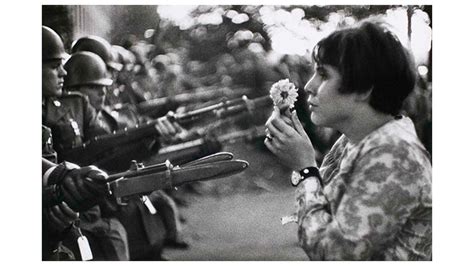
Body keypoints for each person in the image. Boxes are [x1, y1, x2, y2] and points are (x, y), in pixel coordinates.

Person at [264, 20, 431, 260]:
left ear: (364, 89)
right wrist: (301, 158)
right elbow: (323, 210)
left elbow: (334, 254)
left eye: (323, 74)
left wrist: (304, 170)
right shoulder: (355, 141)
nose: (309, 86)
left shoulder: (393, 153)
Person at [42, 25, 130, 261]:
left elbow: (105, 146)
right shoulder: (61, 108)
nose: (63, 73)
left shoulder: (70, 105)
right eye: (54, 66)